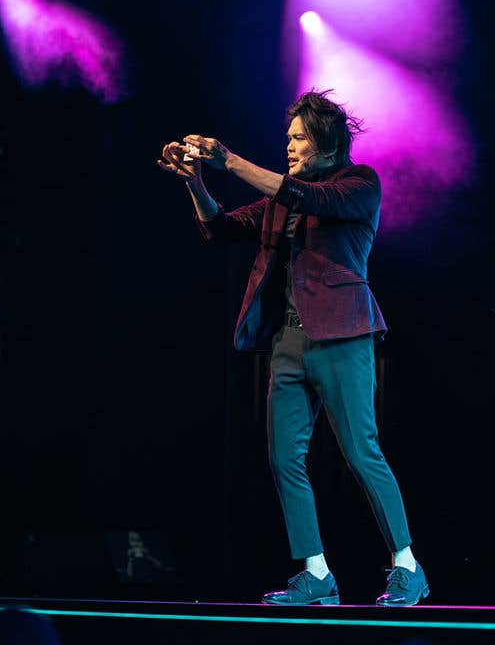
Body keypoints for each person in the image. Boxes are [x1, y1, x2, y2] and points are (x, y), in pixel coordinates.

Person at [156, 90, 428, 607]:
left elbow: (309, 199)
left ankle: (408, 565)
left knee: (361, 451)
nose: (291, 145)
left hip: (343, 335)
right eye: (289, 138)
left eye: (299, 137)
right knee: (285, 458)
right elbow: (219, 229)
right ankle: (317, 573)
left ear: (325, 142)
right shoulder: (283, 197)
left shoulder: (359, 183)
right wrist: (195, 181)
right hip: (288, 342)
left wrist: (227, 158)